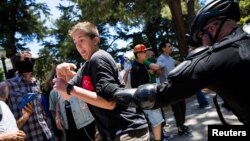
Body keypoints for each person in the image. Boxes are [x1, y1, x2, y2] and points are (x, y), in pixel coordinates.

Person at [114, 0, 250, 127]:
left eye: (201, 37)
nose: (203, 44)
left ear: (212, 29)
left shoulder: (215, 58)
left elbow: (155, 95)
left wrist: (112, 93)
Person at [53, 21, 149, 141]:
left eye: (81, 40)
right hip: (117, 132)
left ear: (95, 40)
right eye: (75, 42)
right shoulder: (85, 67)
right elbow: (65, 97)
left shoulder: (98, 58)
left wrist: (69, 88)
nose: (78, 46)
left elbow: (110, 102)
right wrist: (60, 75)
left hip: (128, 129)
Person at [3, 59, 52, 140]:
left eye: (30, 59)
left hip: (45, 133)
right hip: (27, 136)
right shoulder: (6, 85)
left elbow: (39, 107)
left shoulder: (36, 82)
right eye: (25, 59)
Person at [130, 44, 165, 141]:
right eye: (144, 52)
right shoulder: (137, 67)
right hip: (146, 99)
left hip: (146, 99)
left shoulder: (140, 65)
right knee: (157, 122)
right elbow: (139, 86)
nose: (146, 53)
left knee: (155, 123)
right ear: (138, 54)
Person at [157, 41, 192, 136]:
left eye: (171, 46)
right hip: (169, 88)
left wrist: (186, 63)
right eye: (169, 46)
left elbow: (177, 62)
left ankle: (182, 125)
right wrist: (159, 67)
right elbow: (157, 67)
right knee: (177, 109)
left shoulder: (170, 58)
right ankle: (180, 128)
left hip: (177, 86)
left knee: (182, 106)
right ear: (163, 48)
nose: (171, 47)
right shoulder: (161, 59)